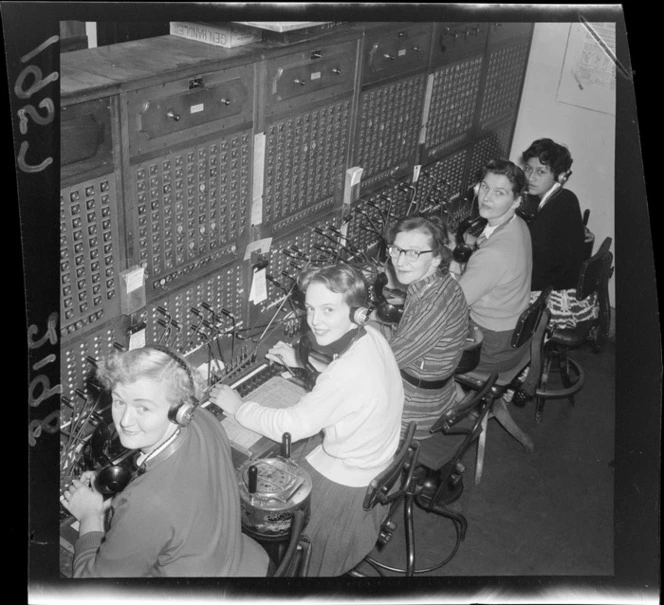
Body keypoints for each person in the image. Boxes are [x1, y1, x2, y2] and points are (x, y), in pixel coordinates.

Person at [209, 263, 404, 577]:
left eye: (328, 309)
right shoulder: (372, 336)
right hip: (373, 465)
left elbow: (292, 425)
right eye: (311, 308)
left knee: (240, 484)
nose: (315, 321)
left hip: (345, 487)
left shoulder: (347, 373)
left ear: (357, 312)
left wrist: (237, 406)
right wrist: (303, 361)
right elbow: (349, 386)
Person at [61, 345, 269, 577]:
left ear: (180, 409)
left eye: (143, 408)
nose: (125, 421)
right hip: (235, 559)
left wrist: (89, 515)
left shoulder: (147, 503)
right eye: (119, 402)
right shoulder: (205, 421)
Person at [385, 215, 469, 440]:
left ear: (436, 258)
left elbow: (385, 363)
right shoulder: (442, 284)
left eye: (413, 253)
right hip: (435, 391)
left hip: (415, 410)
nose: (400, 262)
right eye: (396, 250)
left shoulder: (433, 306)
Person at [457, 159, 532, 373]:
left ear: (517, 201)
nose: (487, 197)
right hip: (512, 335)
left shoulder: (493, 255)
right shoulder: (518, 224)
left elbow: (452, 304)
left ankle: (457, 401)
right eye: (485, 187)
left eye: (500, 193)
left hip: (490, 346)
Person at [520, 138, 597, 328]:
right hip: (563, 283)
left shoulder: (556, 210)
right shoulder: (566, 198)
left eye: (540, 172)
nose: (530, 177)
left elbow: (537, 264)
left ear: (560, 176)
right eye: (528, 169)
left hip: (555, 298)